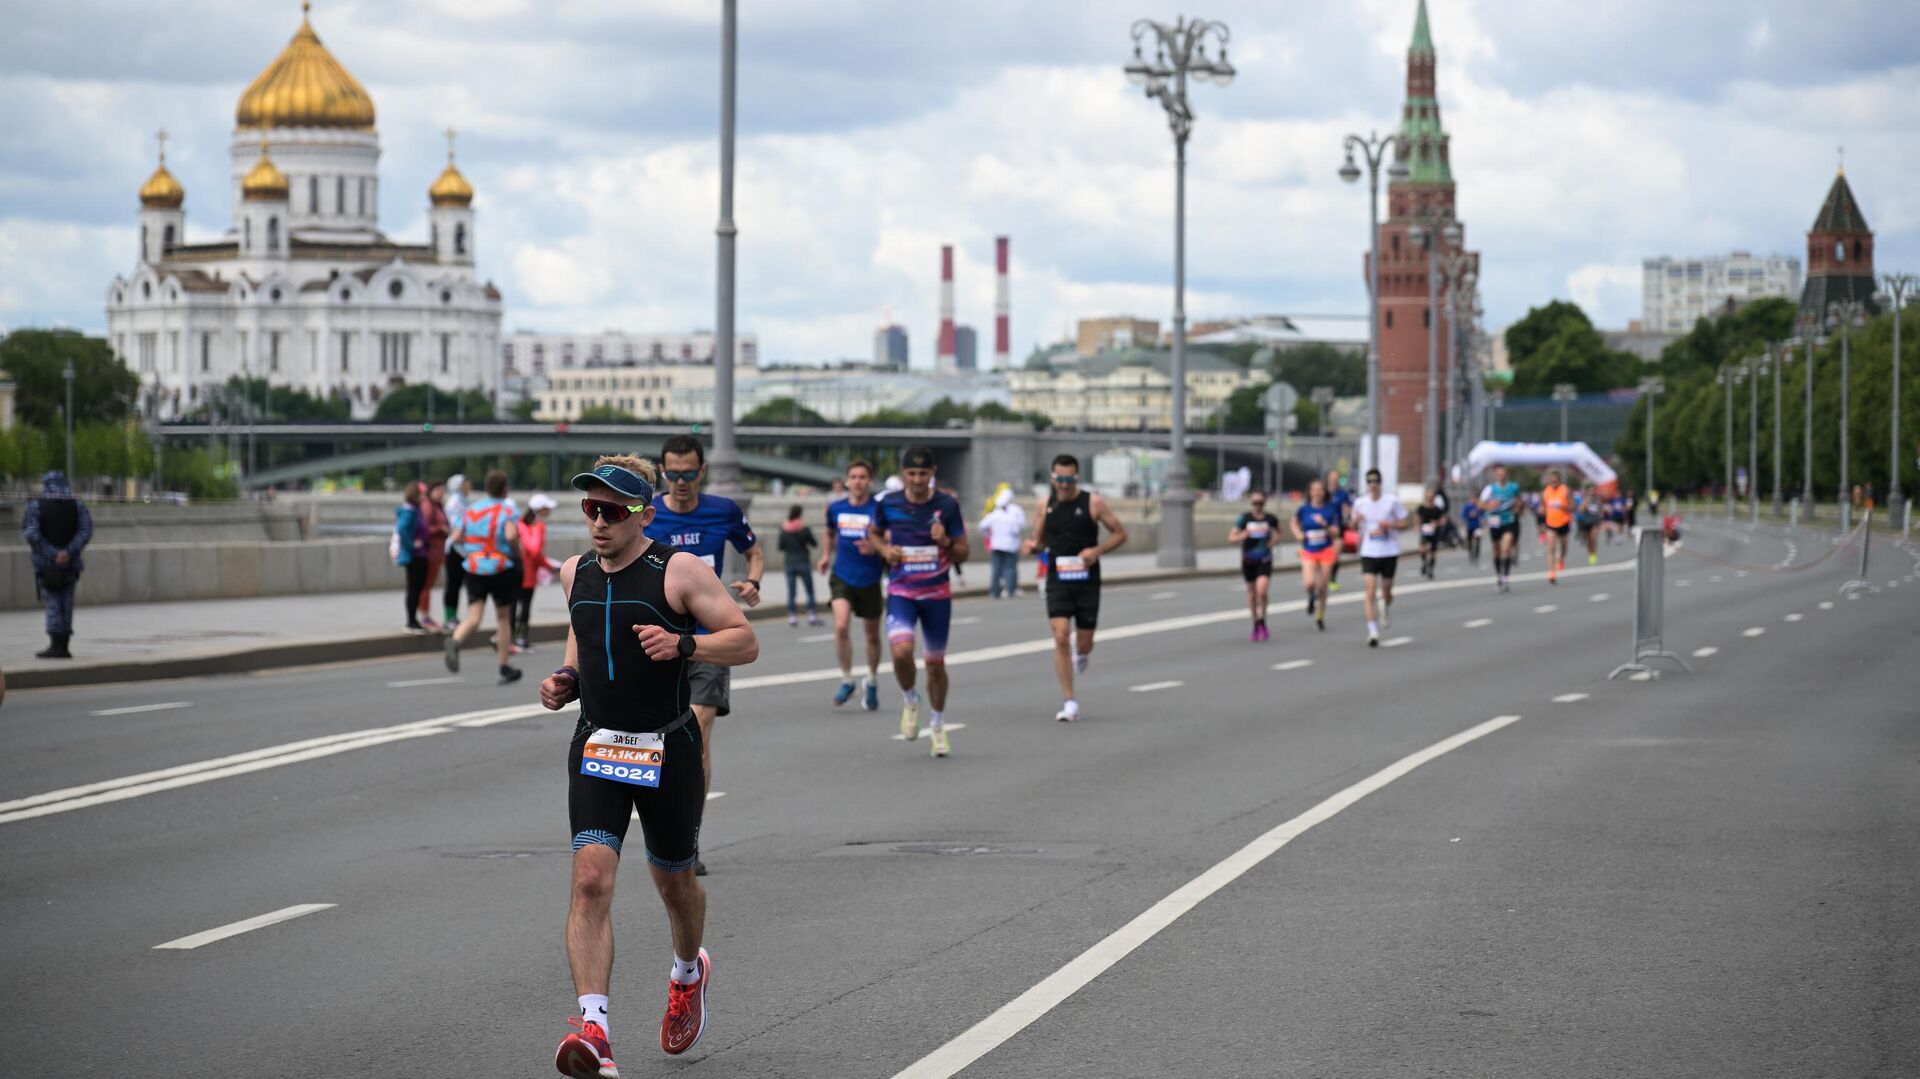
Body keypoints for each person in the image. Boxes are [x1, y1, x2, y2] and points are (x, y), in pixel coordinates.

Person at [542, 454, 759, 1077]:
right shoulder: (574, 572)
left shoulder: (679, 571)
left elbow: (744, 640)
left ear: (645, 513)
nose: (599, 522)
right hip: (599, 746)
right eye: (591, 509)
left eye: (613, 510)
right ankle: (595, 1031)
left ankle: (689, 972)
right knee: (590, 880)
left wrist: (684, 644)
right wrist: (566, 680)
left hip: (668, 749)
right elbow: (584, 640)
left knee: (674, 882)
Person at [645, 434, 762, 875]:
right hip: (656, 642)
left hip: (709, 639)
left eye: (688, 473)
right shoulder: (648, 515)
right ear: (662, 473)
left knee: (697, 732)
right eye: (672, 474)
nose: (680, 482)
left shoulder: (723, 511)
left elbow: (754, 552)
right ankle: (661, 826)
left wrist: (754, 581)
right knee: (655, 738)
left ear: (702, 471)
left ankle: (688, 840)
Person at [870, 447, 968, 756]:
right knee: (901, 652)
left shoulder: (947, 505)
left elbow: (964, 552)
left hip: (937, 594)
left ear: (933, 473)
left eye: (923, 474)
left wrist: (945, 541)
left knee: (935, 664)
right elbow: (873, 533)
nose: (917, 480)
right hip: (902, 591)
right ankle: (911, 698)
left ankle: (937, 725)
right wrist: (885, 550)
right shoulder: (889, 503)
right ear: (903, 474)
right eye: (911, 474)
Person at [1023, 454, 1126, 720]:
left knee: (1084, 643)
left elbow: (1120, 533)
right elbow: (1041, 540)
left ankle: (1082, 653)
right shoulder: (1045, 504)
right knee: (1060, 636)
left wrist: (1097, 550)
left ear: (1077, 478)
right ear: (1052, 478)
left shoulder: (1093, 503)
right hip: (1058, 578)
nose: (1064, 486)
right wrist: (1034, 547)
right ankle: (1070, 702)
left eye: (1070, 480)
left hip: (1086, 581)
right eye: (1060, 480)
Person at [444, 469, 525, 684]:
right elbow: (510, 535)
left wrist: (475, 547)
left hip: (473, 566)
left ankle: (455, 641)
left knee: (474, 616)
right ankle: (504, 665)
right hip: (500, 566)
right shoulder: (507, 509)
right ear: (505, 488)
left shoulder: (472, 509)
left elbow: (457, 537)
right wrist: (516, 550)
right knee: (503, 618)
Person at [820, 460, 885, 712]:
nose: (857, 481)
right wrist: (826, 555)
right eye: (853, 477)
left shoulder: (879, 509)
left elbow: (888, 537)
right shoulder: (836, 508)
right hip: (842, 575)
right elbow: (828, 531)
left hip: (870, 578)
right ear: (847, 481)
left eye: (862, 477)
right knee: (841, 625)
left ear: (869, 481)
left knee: (871, 635)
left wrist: (875, 547)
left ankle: (871, 679)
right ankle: (847, 679)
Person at [21, 470, 92, 659]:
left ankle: (55, 645)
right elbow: (85, 532)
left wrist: (53, 554)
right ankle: (65, 645)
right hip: (71, 564)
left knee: (52, 603)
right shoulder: (77, 505)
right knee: (66, 604)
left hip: (46, 565)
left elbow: (31, 533)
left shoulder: (36, 505)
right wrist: (68, 552)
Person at [1351, 468, 1408, 647]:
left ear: (1380, 484)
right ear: (1366, 484)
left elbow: (1405, 522)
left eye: (1376, 482)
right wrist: (1355, 521)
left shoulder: (1391, 501)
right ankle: (1373, 631)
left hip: (1389, 551)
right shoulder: (1360, 503)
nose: (1373, 486)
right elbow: (1352, 526)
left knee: (1386, 591)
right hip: (1369, 551)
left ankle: (1386, 604)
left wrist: (1390, 524)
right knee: (1369, 591)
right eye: (1370, 482)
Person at [1228, 491, 1280, 641]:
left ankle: (1263, 618)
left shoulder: (1270, 518)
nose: (1257, 506)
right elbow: (1231, 537)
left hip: (1265, 558)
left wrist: (1274, 541)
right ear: (1251, 503)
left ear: (1264, 503)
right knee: (1251, 593)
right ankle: (1255, 622)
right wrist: (1241, 536)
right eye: (1255, 503)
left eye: (1260, 503)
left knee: (1261, 590)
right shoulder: (1244, 519)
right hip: (1248, 559)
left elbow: (1278, 532)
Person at [1292, 479, 1341, 632]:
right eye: (1314, 489)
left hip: (1325, 549)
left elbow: (1336, 532)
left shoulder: (1330, 509)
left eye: (1320, 489)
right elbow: (1293, 522)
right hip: (1308, 549)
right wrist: (1298, 534)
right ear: (1310, 492)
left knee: (1323, 586)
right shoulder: (1304, 509)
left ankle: (1320, 615)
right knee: (1309, 583)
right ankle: (1311, 598)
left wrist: (1325, 524)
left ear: (1324, 492)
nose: (1317, 492)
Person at [515, 493, 561, 650]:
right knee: (525, 606)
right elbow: (535, 552)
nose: (549, 511)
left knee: (514, 604)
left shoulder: (520, 522)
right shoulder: (538, 526)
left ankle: (510, 637)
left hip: (514, 569)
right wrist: (549, 565)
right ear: (541, 510)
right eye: (547, 508)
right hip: (527, 572)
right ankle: (521, 638)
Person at [1479, 464, 1522, 592]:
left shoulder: (1514, 487)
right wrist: (1490, 506)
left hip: (1509, 520)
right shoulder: (1490, 489)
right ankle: (1499, 575)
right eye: (1498, 475)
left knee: (1506, 548)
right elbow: (1481, 504)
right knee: (1496, 550)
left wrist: (1517, 508)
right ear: (1495, 476)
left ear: (1506, 475)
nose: (1501, 477)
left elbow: (1520, 501)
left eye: (1503, 474)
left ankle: (1505, 577)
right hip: (1495, 521)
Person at [979, 488, 1027, 599]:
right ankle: (1010, 589)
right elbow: (1017, 529)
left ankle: (995, 591)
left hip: (996, 545)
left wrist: (989, 536)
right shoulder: (1013, 514)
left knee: (996, 568)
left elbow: (982, 526)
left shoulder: (994, 514)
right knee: (1010, 567)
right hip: (1010, 545)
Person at [777, 504, 820, 627]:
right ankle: (811, 615)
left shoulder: (784, 529)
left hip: (790, 562)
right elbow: (814, 543)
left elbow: (780, 547)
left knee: (791, 591)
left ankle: (793, 617)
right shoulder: (804, 529)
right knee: (809, 590)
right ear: (800, 514)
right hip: (803, 561)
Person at [396, 483, 429, 632]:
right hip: (415, 555)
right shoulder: (410, 512)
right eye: (422, 494)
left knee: (417, 587)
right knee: (414, 588)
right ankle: (411, 621)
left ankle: (413, 619)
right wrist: (412, 545)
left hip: (420, 554)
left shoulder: (416, 510)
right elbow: (401, 529)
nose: (424, 497)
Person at [418, 481, 451, 632]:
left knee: (427, 585)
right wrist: (441, 529)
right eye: (437, 490)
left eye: (442, 490)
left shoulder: (437, 506)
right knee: (426, 585)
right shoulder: (428, 506)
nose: (440, 493)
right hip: (431, 551)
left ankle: (425, 615)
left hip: (437, 551)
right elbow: (425, 528)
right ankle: (424, 615)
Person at [439, 473, 470, 626]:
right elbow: (456, 530)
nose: (468, 485)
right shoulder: (455, 503)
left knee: (457, 585)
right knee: (453, 584)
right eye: (465, 483)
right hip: (455, 549)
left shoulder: (463, 501)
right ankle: (449, 617)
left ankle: (454, 616)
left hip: (463, 549)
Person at [1541, 469, 1573, 585]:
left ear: (1559, 481)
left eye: (1555, 481)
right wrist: (1543, 518)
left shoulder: (1565, 491)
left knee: (1564, 545)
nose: (1553, 483)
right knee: (1551, 548)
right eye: (1551, 481)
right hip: (1550, 523)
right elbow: (1543, 507)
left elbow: (1572, 507)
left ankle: (1561, 558)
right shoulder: (1546, 492)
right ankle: (1552, 572)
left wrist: (1563, 507)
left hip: (1563, 522)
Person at [1325, 469, 1353, 592]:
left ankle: (1332, 579)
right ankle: (1323, 577)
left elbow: (1348, 508)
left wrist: (1349, 514)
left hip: (1338, 527)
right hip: (1324, 528)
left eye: (1336, 479)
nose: (1334, 481)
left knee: (1335, 555)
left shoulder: (1343, 494)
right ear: (1328, 479)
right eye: (1332, 478)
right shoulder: (1323, 493)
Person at [1416, 485, 1446, 580]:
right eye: (1428, 496)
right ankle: (1424, 562)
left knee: (1433, 552)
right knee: (1422, 549)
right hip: (1424, 532)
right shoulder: (1421, 508)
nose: (1430, 498)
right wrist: (1417, 526)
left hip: (1434, 532)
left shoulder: (1437, 509)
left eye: (1431, 497)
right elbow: (1417, 518)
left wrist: (1436, 523)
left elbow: (1443, 520)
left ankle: (1431, 569)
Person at [1576, 485, 1603, 565]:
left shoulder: (1598, 500)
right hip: (1586, 522)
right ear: (1588, 492)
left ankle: (1594, 554)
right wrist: (1585, 504)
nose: (1592, 492)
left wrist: (1601, 518)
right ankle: (1591, 554)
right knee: (1588, 540)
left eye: (1593, 490)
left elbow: (1601, 510)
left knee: (1593, 538)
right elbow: (1580, 510)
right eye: (1590, 491)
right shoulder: (1585, 500)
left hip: (1595, 522)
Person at [1460, 496, 1483, 565]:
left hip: (1478, 526)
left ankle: (1476, 555)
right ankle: (1471, 553)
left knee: (1478, 541)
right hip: (1470, 526)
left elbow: (1483, 514)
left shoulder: (1479, 506)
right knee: (1469, 541)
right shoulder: (1467, 506)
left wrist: (1482, 519)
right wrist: (1469, 516)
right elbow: (1463, 515)